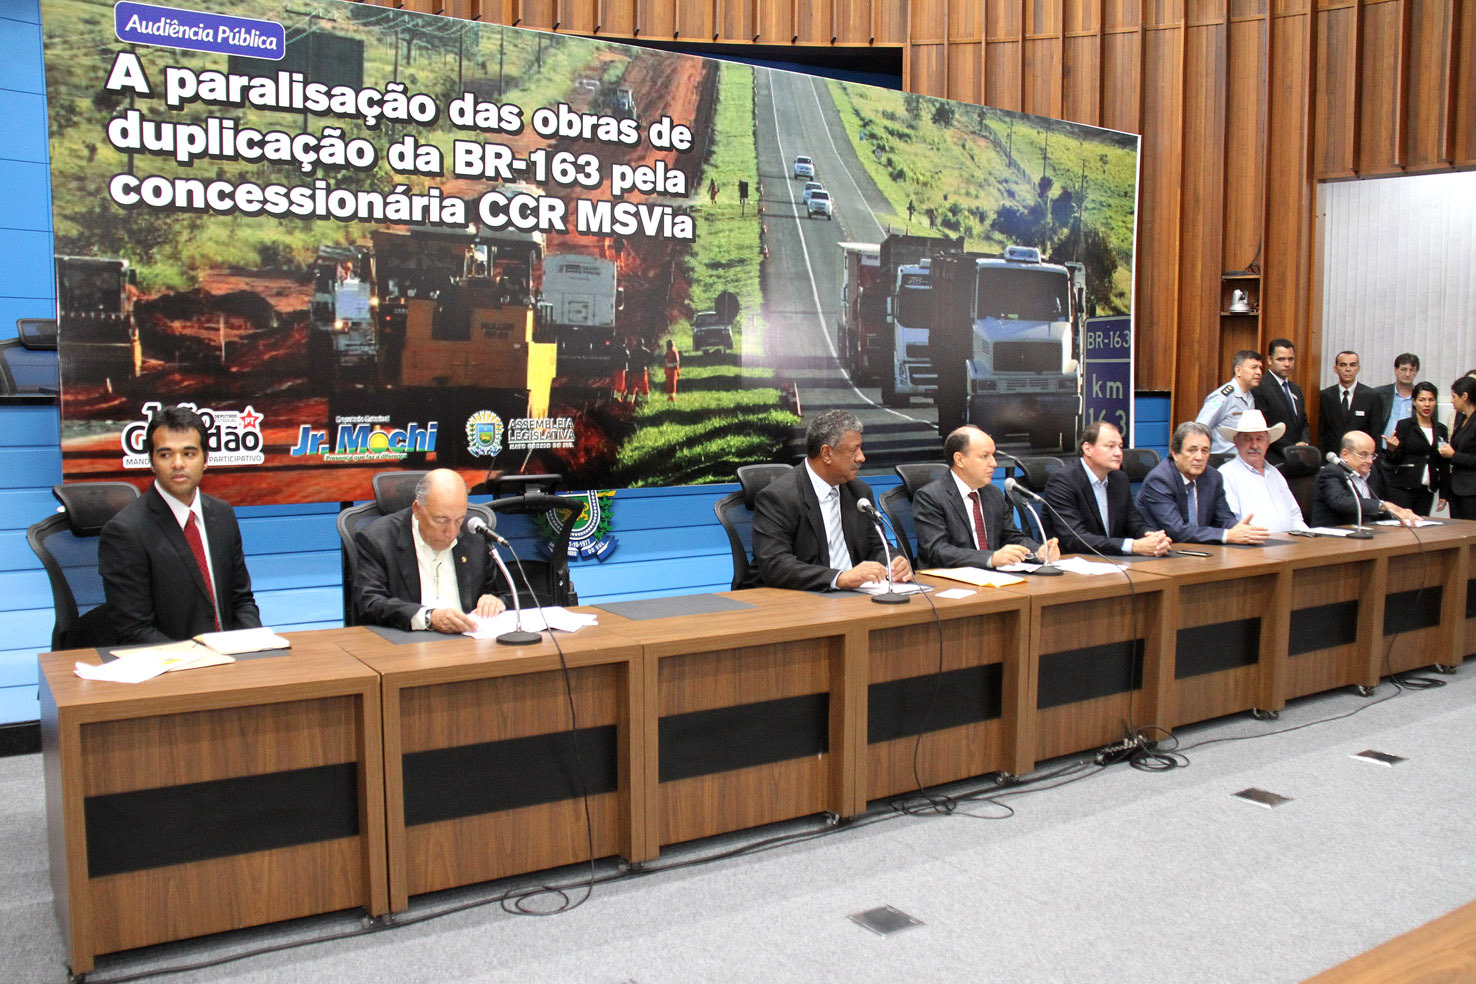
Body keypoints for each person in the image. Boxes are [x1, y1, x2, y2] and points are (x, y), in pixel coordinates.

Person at [98, 405, 261, 643]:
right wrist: (201, 661)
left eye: (189, 453)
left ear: (206, 459)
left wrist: (257, 646)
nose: (178, 463)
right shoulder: (125, 532)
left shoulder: (222, 514)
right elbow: (135, 630)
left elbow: (241, 600)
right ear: (151, 462)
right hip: (173, 666)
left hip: (230, 661)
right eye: (165, 454)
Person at [752, 410, 914, 591]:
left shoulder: (859, 492)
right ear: (827, 453)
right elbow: (775, 564)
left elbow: (877, 545)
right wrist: (838, 578)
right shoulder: (779, 497)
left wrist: (893, 562)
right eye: (854, 450)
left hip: (855, 597)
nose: (861, 457)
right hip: (800, 598)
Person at [353, 469, 509, 632]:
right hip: (407, 644)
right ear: (417, 510)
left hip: (469, 643)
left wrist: (495, 602)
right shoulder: (377, 540)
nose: (452, 533)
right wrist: (428, 618)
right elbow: (370, 603)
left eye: (459, 520)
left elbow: (503, 594)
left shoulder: (475, 535)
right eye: (441, 520)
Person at [912, 425, 1060, 569]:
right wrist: (990, 558)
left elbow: (1012, 537)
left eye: (993, 455)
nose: (994, 463)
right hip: (949, 583)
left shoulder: (993, 493)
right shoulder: (930, 497)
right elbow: (938, 551)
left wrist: (1038, 551)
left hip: (994, 580)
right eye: (984, 456)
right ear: (959, 459)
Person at [1040, 421, 1171, 556]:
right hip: (1071, 562)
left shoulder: (1119, 479)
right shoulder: (1063, 481)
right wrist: (1132, 546)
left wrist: (1152, 537)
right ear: (1087, 449)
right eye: (1110, 446)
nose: (1118, 453)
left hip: (1112, 561)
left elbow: (1134, 522)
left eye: (1120, 447)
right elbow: (1075, 538)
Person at [1136, 422, 1269, 544]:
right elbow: (1176, 530)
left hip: (1201, 550)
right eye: (1192, 450)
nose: (1199, 457)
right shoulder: (1159, 480)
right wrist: (1227, 535)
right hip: (1163, 552)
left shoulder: (1212, 477)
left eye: (1204, 451)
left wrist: (1242, 530)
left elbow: (1223, 519)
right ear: (1175, 453)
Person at [1218, 409, 1310, 533]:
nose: (1254, 445)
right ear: (1236, 442)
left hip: (1290, 546)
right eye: (1247, 439)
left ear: (1267, 443)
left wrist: (1309, 538)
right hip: (1251, 547)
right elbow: (1231, 522)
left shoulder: (1275, 473)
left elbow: (1295, 517)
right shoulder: (1227, 474)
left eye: (1259, 439)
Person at [1309, 431, 1417, 528]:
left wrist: (1398, 514)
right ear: (1345, 454)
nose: (1370, 461)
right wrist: (1382, 505)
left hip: (1368, 531)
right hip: (1333, 536)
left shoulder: (1371, 471)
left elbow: (1376, 506)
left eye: (1372, 455)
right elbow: (1340, 501)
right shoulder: (1331, 472)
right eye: (1364, 455)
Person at [1381, 381, 1447, 515]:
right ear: (1414, 402)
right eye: (1422, 400)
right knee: (1404, 528)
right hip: (1403, 487)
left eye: (1431, 400)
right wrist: (1392, 449)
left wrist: (1444, 494)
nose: (1427, 404)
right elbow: (1394, 460)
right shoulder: (1405, 426)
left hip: (1427, 488)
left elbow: (1444, 463)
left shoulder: (1441, 429)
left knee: (1422, 526)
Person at [1252, 338, 1311, 465]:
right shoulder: (1261, 387)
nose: (1287, 364)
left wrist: (1304, 444)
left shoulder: (1295, 389)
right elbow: (1265, 426)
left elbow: (1303, 422)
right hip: (1274, 459)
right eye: (1281, 359)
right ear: (1269, 360)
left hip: (1297, 459)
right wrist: (1292, 450)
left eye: (1291, 359)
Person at [1195, 350, 1263, 454]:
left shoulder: (1250, 397)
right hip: (1221, 461)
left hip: (1242, 461)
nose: (1259, 372)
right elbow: (1200, 428)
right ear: (1238, 370)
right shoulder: (1223, 397)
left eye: (1260, 368)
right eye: (1253, 367)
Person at [1319, 350, 1385, 457]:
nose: (1348, 369)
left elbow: (1376, 434)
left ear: (1358, 368)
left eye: (1352, 365)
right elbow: (1321, 433)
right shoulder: (1325, 396)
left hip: (1361, 459)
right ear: (1336, 369)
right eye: (1343, 365)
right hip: (1332, 459)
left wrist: (1373, 463)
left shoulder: (1372, 396)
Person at [1439, 376, 1476, 519]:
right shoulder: (1460, 418)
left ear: (1465, 396)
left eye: (1454, 396)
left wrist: (1454, 455)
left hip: (1472, 490)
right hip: (1456, 487)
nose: (1451, 401)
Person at [1373, 352, 1420, 447]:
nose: (1407, 374)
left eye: (1412, 370)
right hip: (1382, 451)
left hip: (1408, 454)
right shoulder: (1379, 394)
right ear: (1395, 370)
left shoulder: (1422, 398)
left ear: (1416, 372)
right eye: (1403, 369)